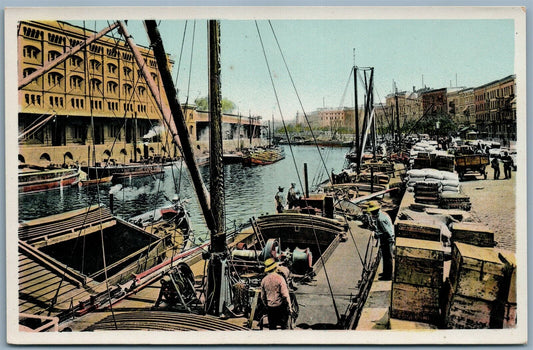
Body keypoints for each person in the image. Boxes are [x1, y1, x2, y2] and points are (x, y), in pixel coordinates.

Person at [366, 200, 395, 281]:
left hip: (387, 239)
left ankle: (388, 276)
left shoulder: (380, 219)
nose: (371, 214)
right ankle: (386, 272)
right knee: (385, 257)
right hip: (387, 238)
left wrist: (377, 234)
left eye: (372, 212)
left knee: (387, 258)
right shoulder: (383, 214)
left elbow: (386, 232)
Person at [260, 258, 292, 330]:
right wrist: (290, 307)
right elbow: (285, 295)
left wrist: (267, 305)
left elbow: (262, 297)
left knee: (272, 327)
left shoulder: (264, 280)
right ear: (275, 268)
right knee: (284, 326)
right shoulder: (280, 278)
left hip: (270, 307)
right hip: (280, 307)